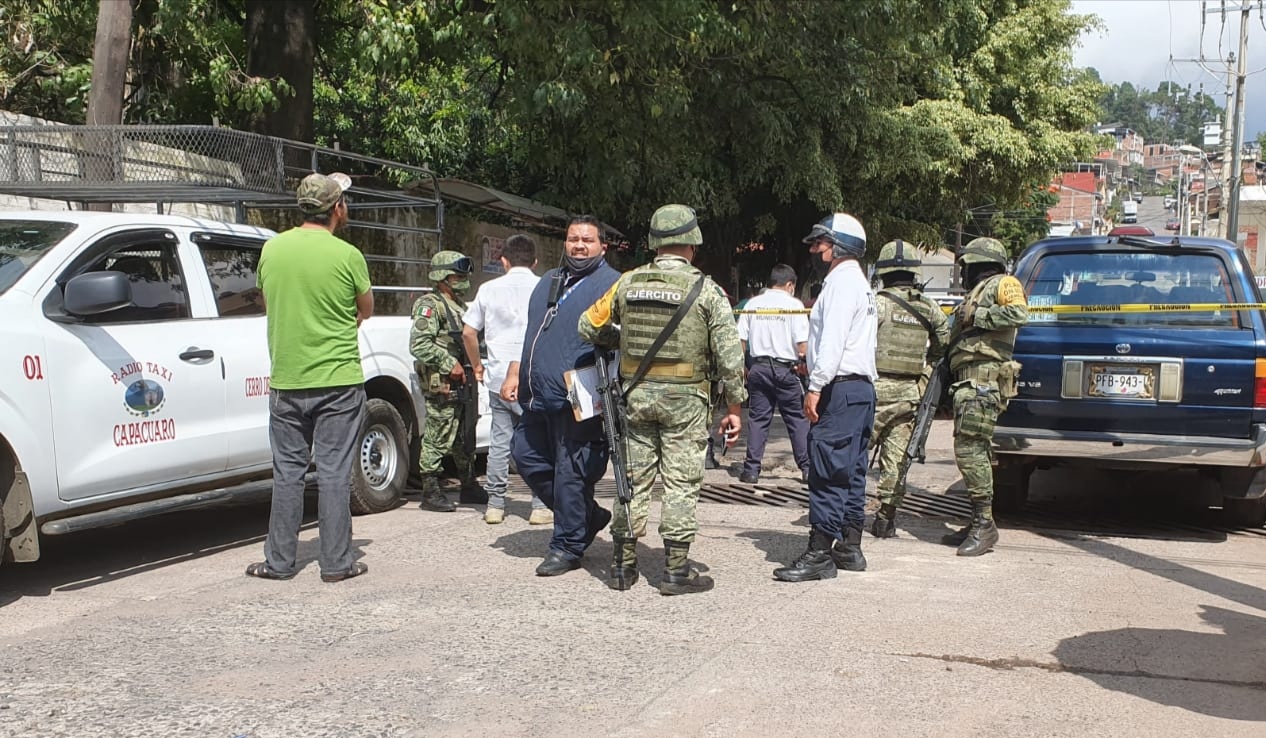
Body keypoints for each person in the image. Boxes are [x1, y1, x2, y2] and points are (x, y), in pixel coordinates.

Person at [579, 204, 745, 596]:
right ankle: (675, 571)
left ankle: (623, 567)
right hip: (686, 401)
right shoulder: (707, 290)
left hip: (635, 396)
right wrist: (734, 408)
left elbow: (588, 325)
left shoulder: (627, 283)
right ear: (692, 242)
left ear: (654, 242)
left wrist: (621, 341)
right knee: (680, 482)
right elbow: (730, 357)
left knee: (631, 479)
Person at [247, 171, 371, 583]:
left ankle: (279, 562)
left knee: (288, 473)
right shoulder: (347, 256)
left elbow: (267, 301)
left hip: (287, 380)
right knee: (334, 472)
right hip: (338, 380)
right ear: (337, 208)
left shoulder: (272, 250)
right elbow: (365, 309)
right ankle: (336, 564)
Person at [503, 216, 621, 576]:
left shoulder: (613, 285)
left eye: (587, 240)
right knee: (525, 454)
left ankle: (567, 546)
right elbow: (530, 333)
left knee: (571, 470)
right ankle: (586, 516)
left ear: (603, 246)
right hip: (538, 394)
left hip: (580, 395)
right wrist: (515, 372)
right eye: (573, 239)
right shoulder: (548, 282)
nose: (579, 245)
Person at [773, 213, 877, 583]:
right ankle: (849, 546)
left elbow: (832, 341)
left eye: (820, 243)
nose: (815, 250)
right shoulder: (861, 284)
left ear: (839, 246)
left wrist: (815, 386)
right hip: (860, 389)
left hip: (839, 388)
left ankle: (819, 554)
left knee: (828, 470)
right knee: (851, 471)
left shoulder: (839, 285)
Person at [941, 237, 1028, 556]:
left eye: (967, 266)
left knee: (970, 450)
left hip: (984, 381)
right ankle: (978, 520)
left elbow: (1019, 314)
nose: (963, 272)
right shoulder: (973, 294)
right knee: (970, 449)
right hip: (967, 382)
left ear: (979, 263)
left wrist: (977, 318)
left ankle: (984, 525)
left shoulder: (1003, 283)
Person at [461, 234, 552, 525]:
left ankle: (495, 505)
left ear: (503, 261)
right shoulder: (544, 287)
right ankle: (539, 506)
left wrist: (478, 365)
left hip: (498, 375)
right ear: (535, 262)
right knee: (539, 441)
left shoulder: (488, 289)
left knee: (500, 442)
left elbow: (468, 332)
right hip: (534, 376)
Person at [868, 240, 949, 538]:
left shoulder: (876, 303)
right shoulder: (928, 307)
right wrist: (924, 377)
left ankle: (846, 518)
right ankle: (886, 519)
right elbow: (943, 346)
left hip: (873, 391)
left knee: (853, 457)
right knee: (897, 461)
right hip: (909, 395)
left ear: (883, 272)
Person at [410, 250, 486, 512]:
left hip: (463, 380)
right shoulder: (430, 305)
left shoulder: (460, 306)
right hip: (442, 381)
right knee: (438, 433)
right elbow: (419, 344)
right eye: (457, 275)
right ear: (442, 277)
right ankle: (430, 490)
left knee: (464, 434)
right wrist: (447, 363)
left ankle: (468, 484)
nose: (463, 279)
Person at [735, 263, 810, 485]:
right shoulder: (795, 305)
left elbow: (740, 340)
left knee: (758, 419)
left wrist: (742, 368)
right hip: (786, 370)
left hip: (758, 369)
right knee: (797, 419)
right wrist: (804, 366)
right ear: (790, 285)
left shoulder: (753, 304)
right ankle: (807, 469)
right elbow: (803, 345)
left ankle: (751, 471)